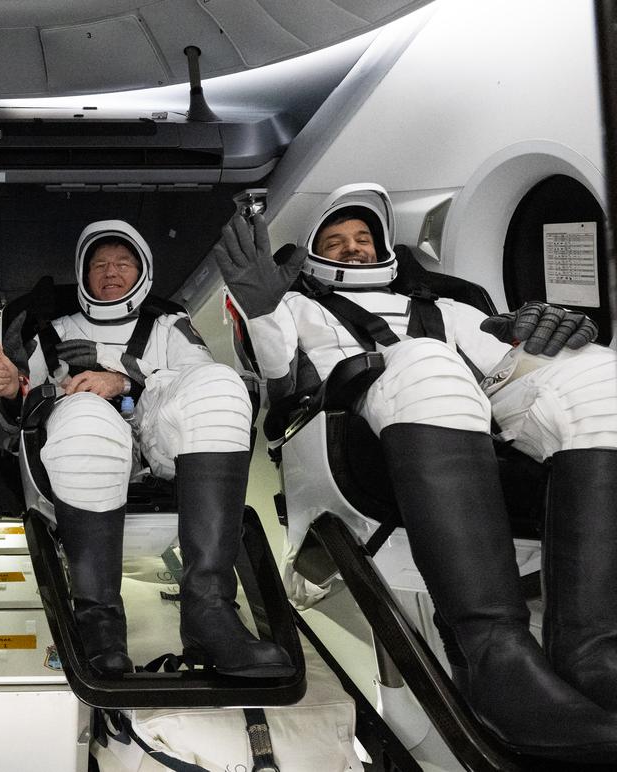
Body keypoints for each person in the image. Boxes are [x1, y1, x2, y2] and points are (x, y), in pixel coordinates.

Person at [212, 182, 617, 763]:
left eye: (363, 238)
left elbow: (510, 375)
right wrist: (259, 305)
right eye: (336, 240)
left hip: (474, 426)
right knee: (424, 357)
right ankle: (494, 658)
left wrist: (547, 339)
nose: (353, 248)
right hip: (350, 444)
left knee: (598, 371)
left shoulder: (450, 307)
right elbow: (279, 375)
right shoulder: (296, 305)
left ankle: (593, 651)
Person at [0, 220, 293, 678]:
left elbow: (197, 384)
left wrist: (127, 381)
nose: (111, 272)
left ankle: (209, 611)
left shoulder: (169, 325)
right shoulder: (51, 331)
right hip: (81, 451)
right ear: (83, 275)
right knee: (84, 411)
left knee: (221, 384)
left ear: (142, 271)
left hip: (159, 448)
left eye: (122, 262)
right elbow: (22, 412)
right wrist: (11, 390)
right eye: (100, 264)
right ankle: (99, 620)